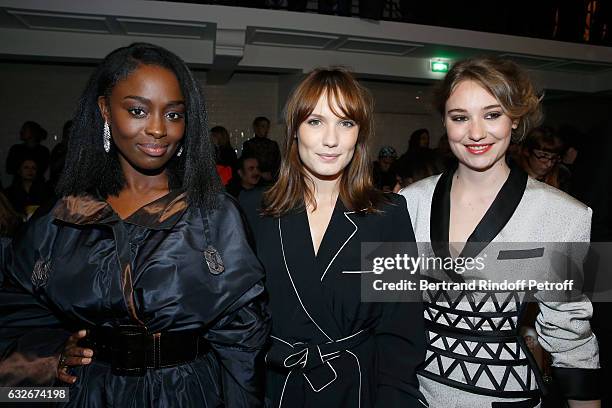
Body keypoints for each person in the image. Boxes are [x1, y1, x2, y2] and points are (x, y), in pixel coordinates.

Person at [0, 43, 270, 407]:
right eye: (138, 110)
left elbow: (243, 336)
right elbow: (16, 311)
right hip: (89, 393)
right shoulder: (63, 216)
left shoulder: (214, 215)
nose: (159, 129)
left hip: (186, 393)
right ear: (105, 110)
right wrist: (48, 358)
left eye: (174, 115)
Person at [400, 57, 600, 407]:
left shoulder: (561, 215)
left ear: (515, 119)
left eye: (492, 115)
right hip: (412, 392)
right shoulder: (409, 202)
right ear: (445, 122)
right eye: (460, 117)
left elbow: (570, 340)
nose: (476, 133)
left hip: (505, 394)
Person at [240, 67, 426, 407]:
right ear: (294, 130)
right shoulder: (254, 208)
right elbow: (238, 322)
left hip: (354, 390)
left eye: (346, 123)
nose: (331, 139)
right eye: (315, 121)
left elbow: (400, 331)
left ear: (359, 135)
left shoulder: (387, 214)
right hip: (274, 390)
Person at [519, 126, 570, 192]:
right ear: (527, 151)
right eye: (543, 156)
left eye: (554, 158)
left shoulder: (561, 179)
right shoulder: (512, 174)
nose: (549, 164)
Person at [241, 116, 281, 182]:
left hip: (271, 181)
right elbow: (246, 165)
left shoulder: (273, 144)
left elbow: (278, 163)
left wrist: (272, 174)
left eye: (267, 127)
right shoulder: (248, 144)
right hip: (254, 181)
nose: (266, 129)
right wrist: (260, 174)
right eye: (263, 126)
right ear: (256, 128)